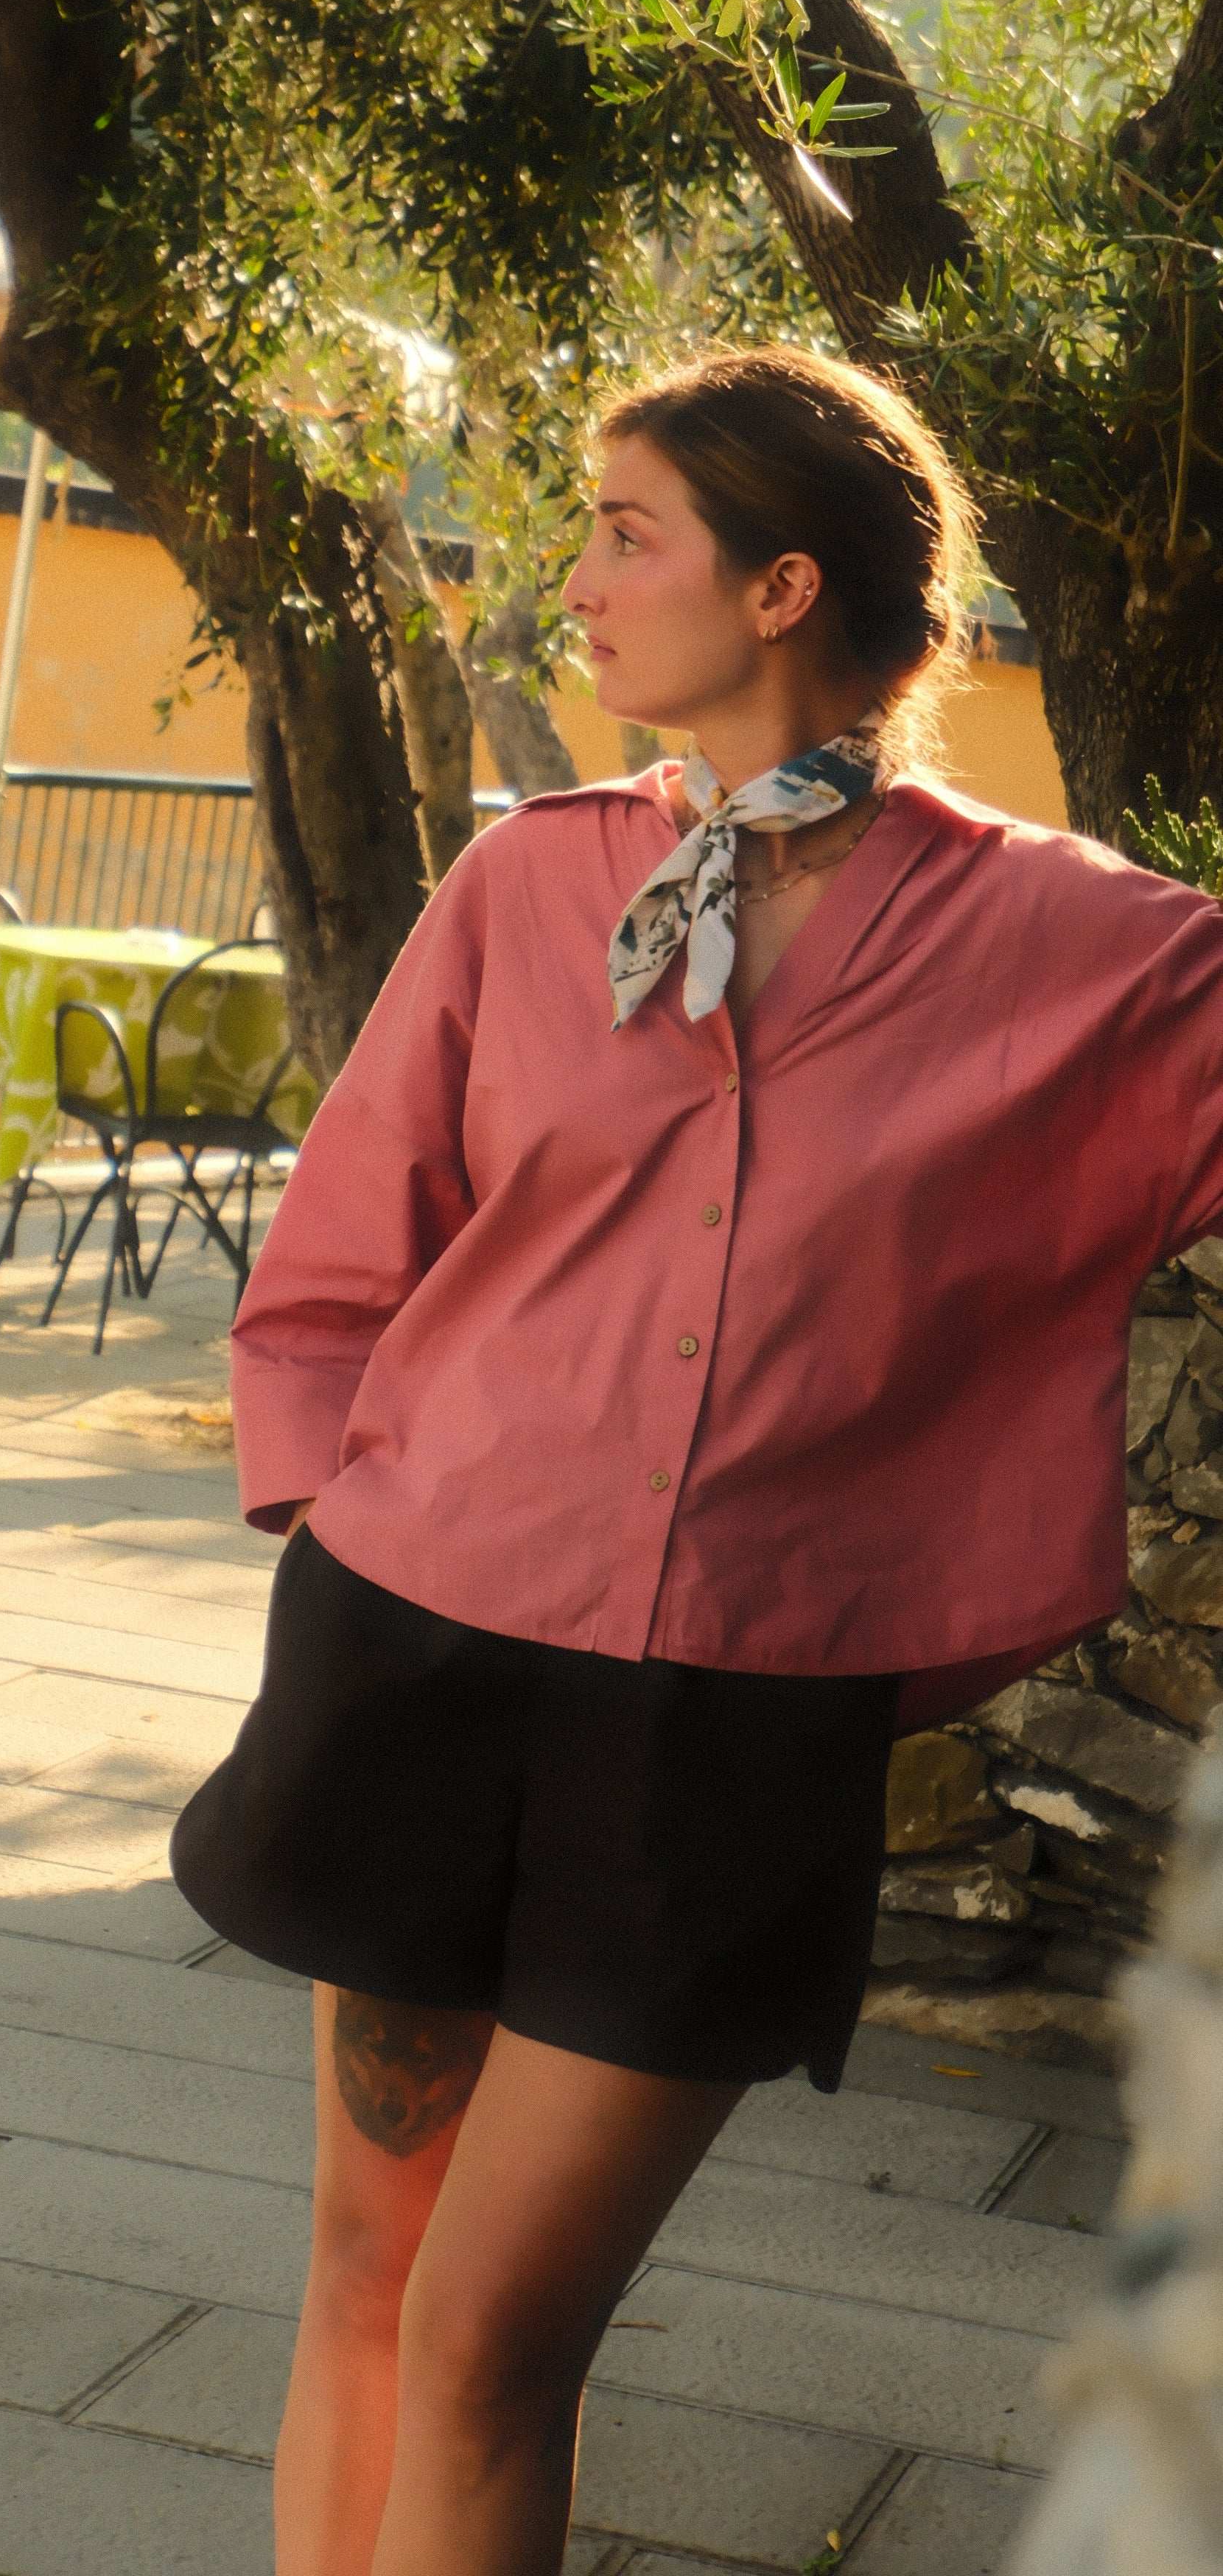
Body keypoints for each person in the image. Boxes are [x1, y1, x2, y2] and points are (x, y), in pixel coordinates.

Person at [170, 343, 1223, 2576]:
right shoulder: (531, 889)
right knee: (368, 2283)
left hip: (734, 1718)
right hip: (419, 1652)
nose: (573, 580)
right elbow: (349, 1250)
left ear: (779, 584)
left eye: (622, 531)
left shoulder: (1083, 955)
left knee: (489, 2340)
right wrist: (335, 1512)